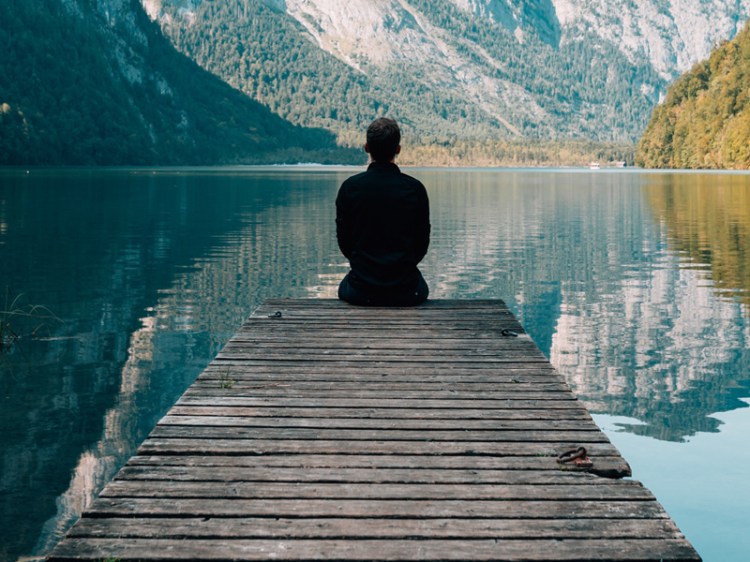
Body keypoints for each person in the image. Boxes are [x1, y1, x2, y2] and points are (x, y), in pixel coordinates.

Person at [336, 117, 430, 306]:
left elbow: (344, 241)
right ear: (398, 149)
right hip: (407, 291)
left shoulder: (350, 188)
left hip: (360, 291)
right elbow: (422, 243)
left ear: (366, 148)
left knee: (345, 286)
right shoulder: (415, 189)